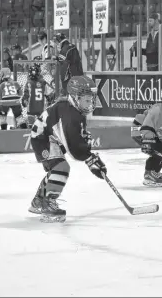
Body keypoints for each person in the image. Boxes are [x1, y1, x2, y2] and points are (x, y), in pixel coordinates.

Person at [28, 75, 107, 223]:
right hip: (42, 138)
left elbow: (77, 138)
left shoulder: (75, 110)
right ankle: (48, 205)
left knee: (56, 170)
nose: (90, 103)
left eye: (91, 99)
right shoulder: (68, 114)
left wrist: (87, 152)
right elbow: (73, 146)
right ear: (76, 97)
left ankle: (39, 201)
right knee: (61, 167)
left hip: (50, 137)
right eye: (87, 99)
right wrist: (89, 158)